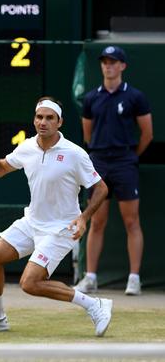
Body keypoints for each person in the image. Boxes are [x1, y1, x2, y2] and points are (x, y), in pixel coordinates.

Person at [0, 97, 112, 337]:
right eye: (39, 117)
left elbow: (101, 188)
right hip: (32, 222)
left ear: (59, 122)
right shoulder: (27, 147)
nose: (43, 122)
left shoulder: (75, 154)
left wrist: (84, 218)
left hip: (62, 228)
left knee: (30, 283)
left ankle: (95, 304)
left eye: (49, 118)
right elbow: (0, 168)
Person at [75, 46, 153, 296]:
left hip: (125, 163)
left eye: (113, 62)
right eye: (105, 62)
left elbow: (147, 134)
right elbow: (87, 134)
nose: (108, 66)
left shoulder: (135, 97)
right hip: (98, 162)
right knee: (96, 221)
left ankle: (134, 278)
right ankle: (90, 277)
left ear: (122, 66)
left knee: (132, 221)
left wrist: (130, 157)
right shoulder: (91, 98)